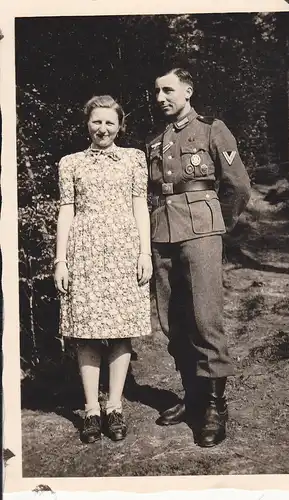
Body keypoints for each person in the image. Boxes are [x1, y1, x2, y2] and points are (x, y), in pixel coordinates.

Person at [146, 68, 251, 447]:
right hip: (162, 234)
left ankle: (214, 406)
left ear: (188, 91)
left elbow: (238, 185)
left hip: (202, 232)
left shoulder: (211, 129)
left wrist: (216, 226)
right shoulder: (154, 141)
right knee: (173, 319)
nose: (161, 97)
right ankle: (191, 397)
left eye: (168, 90)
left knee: (206, 319)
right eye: (156, 91)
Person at [54, 95, 152, 444]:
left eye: (110, 122)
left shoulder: (134, 159)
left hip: (125, 252)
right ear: (87, 123)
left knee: (121, 330)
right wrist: (60, 260)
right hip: (84, 253)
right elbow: (66, 211)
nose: (103, 128)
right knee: (87, 332)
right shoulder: (70, 163)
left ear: (120, 125)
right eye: (97, 121)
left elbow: (141, 207)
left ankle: (114, 407)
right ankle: (91, 411)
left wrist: (145, 253)